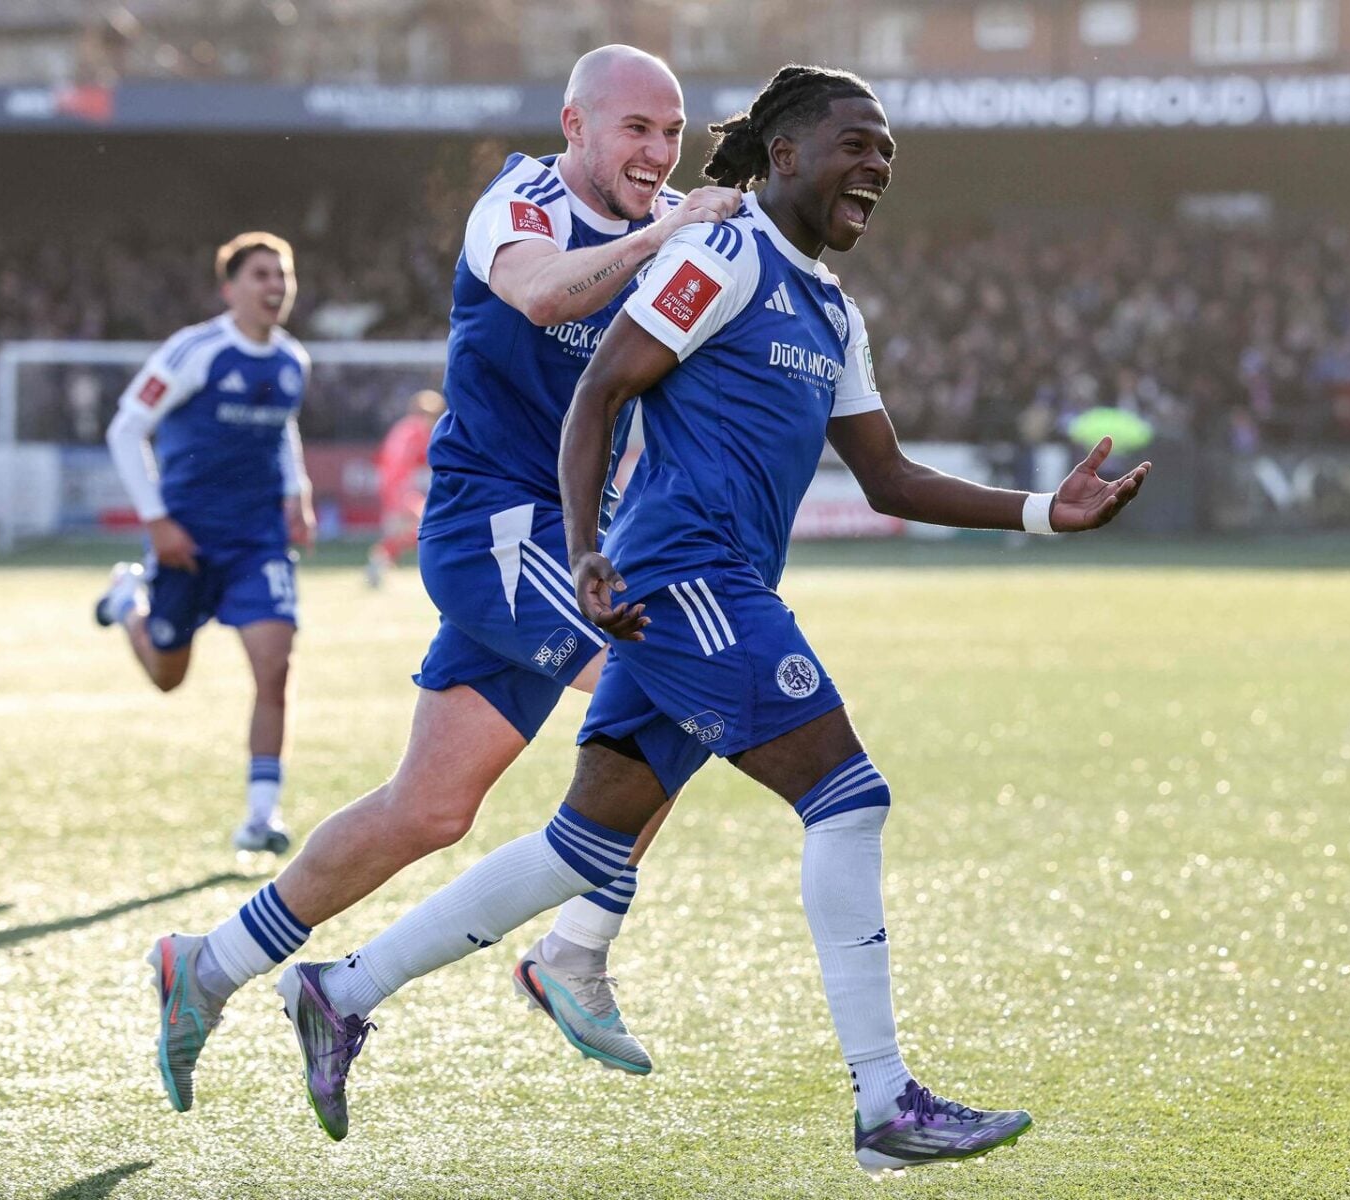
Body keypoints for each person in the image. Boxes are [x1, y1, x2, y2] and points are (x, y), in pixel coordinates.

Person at [272, 66, 1149, 1172]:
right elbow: (599, 393)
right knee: (848, 795)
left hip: (712, 587)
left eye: (888, 154)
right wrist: (587, 552)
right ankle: (884, 1104)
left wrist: (1040, 514)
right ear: (784, 155)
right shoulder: (721, 256)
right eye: (854, 143)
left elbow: (885, 478)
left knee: (578, 845)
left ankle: (339, 989)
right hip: (684, 577)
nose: (875, 166)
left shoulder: (832, 309)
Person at [145, 45, 744, 1118]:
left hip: (567, 542)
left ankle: (215, 965)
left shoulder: (675, 239)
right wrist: (669, 234)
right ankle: (577, 947)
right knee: (677, 685)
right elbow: (531, 292)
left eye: (672, 133)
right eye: (634, 130)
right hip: (493, 530)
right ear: (575, 124)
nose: (658, 154)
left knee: (426, 810)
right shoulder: (520, 202)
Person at [96, 231, 316, 856]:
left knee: (275, 665)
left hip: (259, 544)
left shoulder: (292, 361)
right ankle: (127, 604)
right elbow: (125, 429)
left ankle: (261, 816)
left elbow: (282, 427)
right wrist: (157, 520)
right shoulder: (195, 351)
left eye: (283, 276)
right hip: (187, 542)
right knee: (168, 675)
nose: (275, 286)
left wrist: (296, 489)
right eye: (260, 275)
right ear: (230, 288)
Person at [364, 389, 445, 588]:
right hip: (401, 488)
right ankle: (438, 570)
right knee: (428, 525)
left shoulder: (401, 427)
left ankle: (379, 563)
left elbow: (384, 458)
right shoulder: (419, 429)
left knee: (408, 530)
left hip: (391, 485)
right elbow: (433, 457)